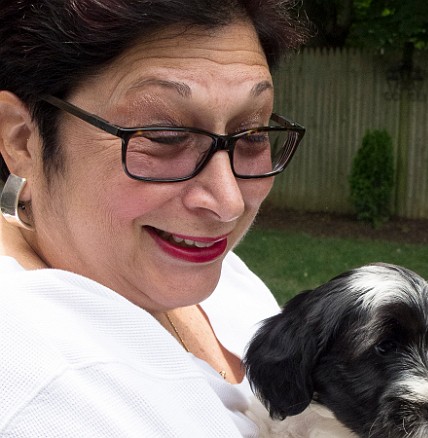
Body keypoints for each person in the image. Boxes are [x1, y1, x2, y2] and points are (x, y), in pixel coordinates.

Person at [0, 0, 307, 436]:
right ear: (22, 138)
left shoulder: (194, 266)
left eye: (252, 134)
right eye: (164, 136)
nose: (228, 201)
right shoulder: (42, 385)